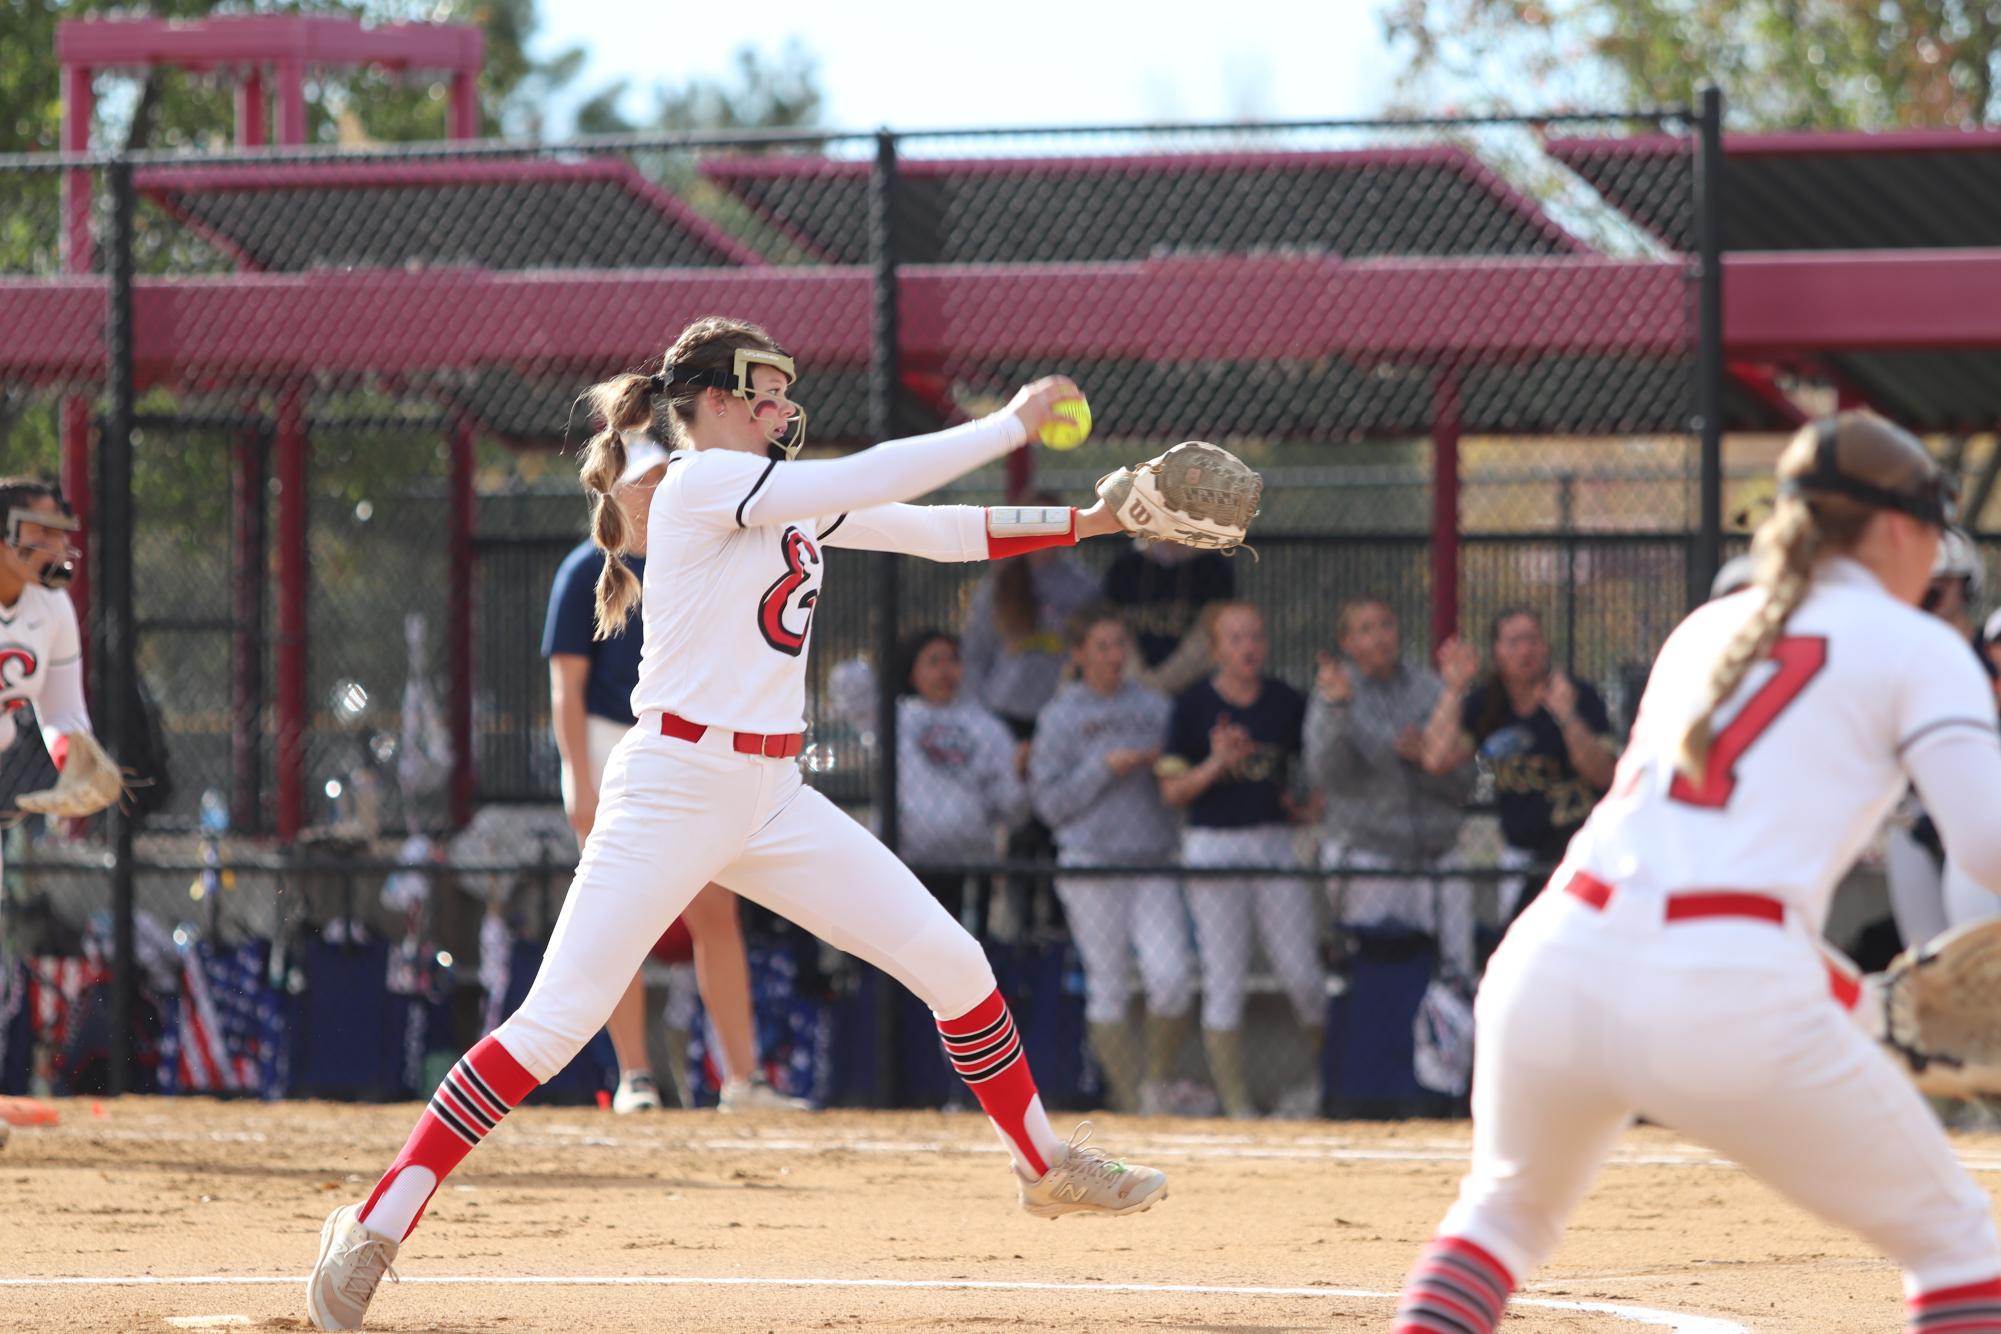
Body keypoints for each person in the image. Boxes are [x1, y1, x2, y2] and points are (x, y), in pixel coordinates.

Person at [308, 318, 1168, 1332]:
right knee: (553, 1023)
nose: (781, 401)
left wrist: (1093, 521)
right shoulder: (700, 480)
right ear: (712, 393)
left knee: (956, 962)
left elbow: (942, 530)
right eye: (764, 384)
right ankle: (373, 1224)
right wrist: (1009, 421)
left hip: (770, 793)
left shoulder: (770, 494)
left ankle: (1042, 1163)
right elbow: (890, 466)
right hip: (673, 779)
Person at [1393, 412, 2001, 1334]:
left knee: (1498, 1221)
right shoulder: (1920, 647)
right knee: (1959, 1251)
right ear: (1891, 528)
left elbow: (1695, 881)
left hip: (1552, 961)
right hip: (1721, 991)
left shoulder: (1707, 628)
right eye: (1931, 525)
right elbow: (1986, 848)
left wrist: (1865, 1006)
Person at [544, 456, 802, 1114]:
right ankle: (634, 1078)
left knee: (715, 912)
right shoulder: (585, 568)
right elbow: (566, 689)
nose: (660, 488)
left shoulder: (696, 559)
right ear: (615, 489)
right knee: (617, 918)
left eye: (666, 475)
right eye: (646, 478)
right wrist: (578, 779)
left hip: (685, 748)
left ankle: (742, 1083)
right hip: (612, 745)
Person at [1158, 601, 1323, 1120]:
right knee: (1224, 977)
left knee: (1302, 974)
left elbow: (1314, 771)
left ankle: (1315, 1082)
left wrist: (1309, 804)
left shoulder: (1285, 701)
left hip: (1273, 842)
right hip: (1214, 845)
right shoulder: (1191, 707)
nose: (1248, 646)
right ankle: (1237, 1106)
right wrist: (1217, 763)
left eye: (1255, 635)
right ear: (1214, 650)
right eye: (1235, 638)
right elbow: (1173, 792)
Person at [1030, 604, 1194, 1114]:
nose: (1113, 657)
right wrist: (1104, 768)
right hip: (1090, 864)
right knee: (1108, 983)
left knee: (1171, 979)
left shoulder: (1154, 707)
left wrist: (1159, 765)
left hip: (1152, 858)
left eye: (1120, 645)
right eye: (1101, 647)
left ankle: (1156, 1085)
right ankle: (1128, 1100)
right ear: (1079, 654)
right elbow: (1050, 804)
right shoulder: (1060, 716)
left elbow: (1177, 777)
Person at [1306, 597, 1477, 981]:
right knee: (1377, 973)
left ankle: (1447, 1042)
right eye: (1366, 629)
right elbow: (1325, 776)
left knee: (1455, 972)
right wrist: (1338, 711)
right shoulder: (1334, 690)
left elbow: (1465, 783)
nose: (1380, 636)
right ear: (1347, 642)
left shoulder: (1431, 688)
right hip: (1370, 854)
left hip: (1436, 853)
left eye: (1386, 624)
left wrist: (1429, 761)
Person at [1420, 608, 1615, 924]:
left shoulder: (1577, 695)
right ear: (1495, 652)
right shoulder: (1488, 704)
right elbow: (1436, 759)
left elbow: (1602, 773)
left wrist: (1567, 716)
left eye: (1533, 640)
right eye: (1513, 642)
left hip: (1581, 852)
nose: (1526, 650)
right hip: (1520, 855)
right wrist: (1454, 689)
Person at [891, 627, 1029, 930]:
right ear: (911, 672)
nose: (945, 671)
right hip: (908, 861)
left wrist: (1020, 778)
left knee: (965, 951)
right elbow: (847, 683)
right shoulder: (898, 718)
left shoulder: (985, 725)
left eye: (952, 660)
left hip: (970, 862)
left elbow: (1010, 805)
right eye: (933, 661)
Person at [0, 479, 94, 838]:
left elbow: (62, 711)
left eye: (60, 532)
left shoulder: (51, 607)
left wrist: (75, 760)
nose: (60, 545)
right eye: (44, 531)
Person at [1103, 538, 1235, 696]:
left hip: (1195, 690)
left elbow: (1208, 635)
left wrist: (1159, 684)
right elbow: (1115, 629)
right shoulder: (1125, 566)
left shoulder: (1214, 568)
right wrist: (1139, 681)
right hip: (1132, 692)